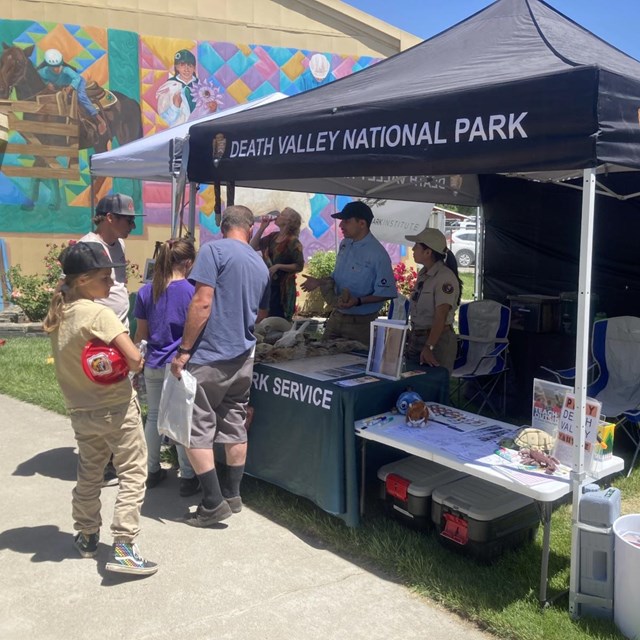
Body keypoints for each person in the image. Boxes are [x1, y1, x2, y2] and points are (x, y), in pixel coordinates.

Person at [43, 242, 157, 576]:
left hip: (80, 410)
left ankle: (87, 535)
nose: (112, 285)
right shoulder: (99, 315)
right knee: (134, 473)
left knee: (90, 473)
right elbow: (135, 360)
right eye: (105, 279)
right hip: (117, 410)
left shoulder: (60, 313)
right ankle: (124, 547)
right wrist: (138, 356)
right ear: (82, 281)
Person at [170, 205, 269, 527]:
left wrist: (184, 350)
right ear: (250, 228)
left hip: (210, 355)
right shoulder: (260, 262)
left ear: (222, 226)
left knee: (194, 428)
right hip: (243, 356)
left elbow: (202, 301)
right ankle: (233, 494)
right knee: (234, 423)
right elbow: (261, 313)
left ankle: (213, 503)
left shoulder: (213, 250)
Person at [80, 193, 144, 486]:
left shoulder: (119, 244)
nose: (132, 225)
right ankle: (102, 463)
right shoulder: (87, 247)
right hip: (98, 335)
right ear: (109, 218)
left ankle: (113, 457)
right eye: (127, 220)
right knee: (103, 397)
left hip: (119, 330)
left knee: (120, 393)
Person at [133, 237, 200, 497]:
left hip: (152, 362)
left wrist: (136, 363)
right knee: (182, 419)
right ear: (188, 263)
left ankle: (151, 470)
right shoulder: (193, 291)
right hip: (180, 365)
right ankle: (187, 475)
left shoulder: (146, 291)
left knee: (154, 417)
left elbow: (141, 333)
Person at [300, 201, 396, 346]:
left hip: (361, 324)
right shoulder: (345, 244)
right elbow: (337, 277)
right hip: (337, 317)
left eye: (346, 221)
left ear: (362, 223)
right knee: (322, 359)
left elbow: (386, 293)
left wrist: (357, 301)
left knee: (355, 364)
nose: (340, 225)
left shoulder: (378, 254)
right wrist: (319, 282)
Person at [404, 226, 463, 373]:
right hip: (418, 339)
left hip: (437, 342)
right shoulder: (424, 274)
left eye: (416, 246)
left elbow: (440, 317)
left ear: (428, 252)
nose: (413, 250)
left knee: (434, 388)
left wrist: (429, 346)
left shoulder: (444, 278)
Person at [250, 207, 304, 321]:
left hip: (282, 289)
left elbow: (299, 266)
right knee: (263, 319)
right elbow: (253, 247)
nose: (278, 216)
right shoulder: (272, 237)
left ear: (289, 221)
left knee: (276, 320)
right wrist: (262, 228)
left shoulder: (293, 241)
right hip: (267, 285)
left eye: (282, 214)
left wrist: (279, 266)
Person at [37, 48, 107, 135]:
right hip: (63, 86)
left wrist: (71, 86)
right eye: (53, 67)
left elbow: (77, 78)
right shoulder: (44, 72)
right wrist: (47, 83)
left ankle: (98, 119)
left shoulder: (66, 70)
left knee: (81, 96)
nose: (56, 69)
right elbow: (39, 76)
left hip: (77, 82)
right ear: (48, 66)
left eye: (58, 65)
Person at [156, 49, 198, 126]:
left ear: (194, 68)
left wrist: (212, 109)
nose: (186, 69)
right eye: (182, 65)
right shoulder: (168, 88)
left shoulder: (202, 87)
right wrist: (175, 106)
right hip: (178, 132)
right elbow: (164, 120)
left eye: (190, 65)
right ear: (176, 67)